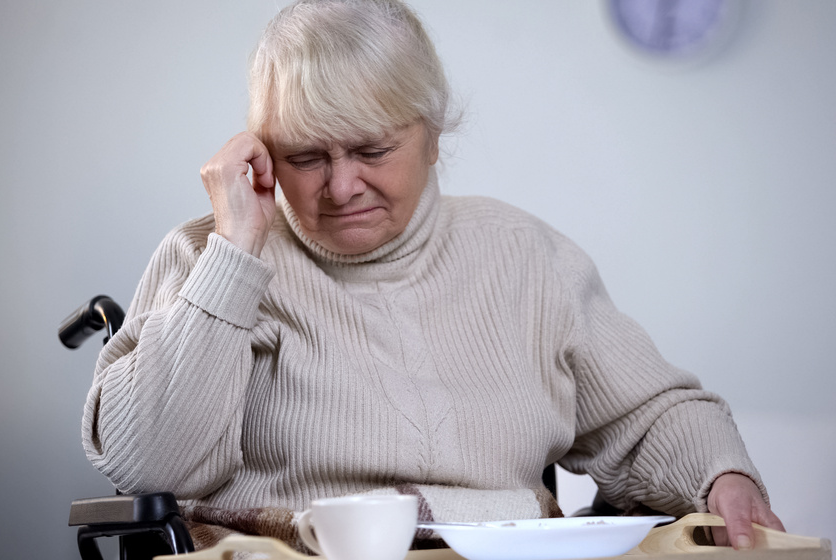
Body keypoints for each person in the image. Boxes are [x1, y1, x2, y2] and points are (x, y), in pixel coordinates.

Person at [82, 0, 784, 551]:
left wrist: (720, 474)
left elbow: (647, 415)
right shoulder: (210, 255)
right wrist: (235, 257)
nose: (341, 186)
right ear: (261, 151)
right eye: (305, 156)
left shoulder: (525, 256)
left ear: (433, 133)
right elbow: (149, 468)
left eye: (371, 149)